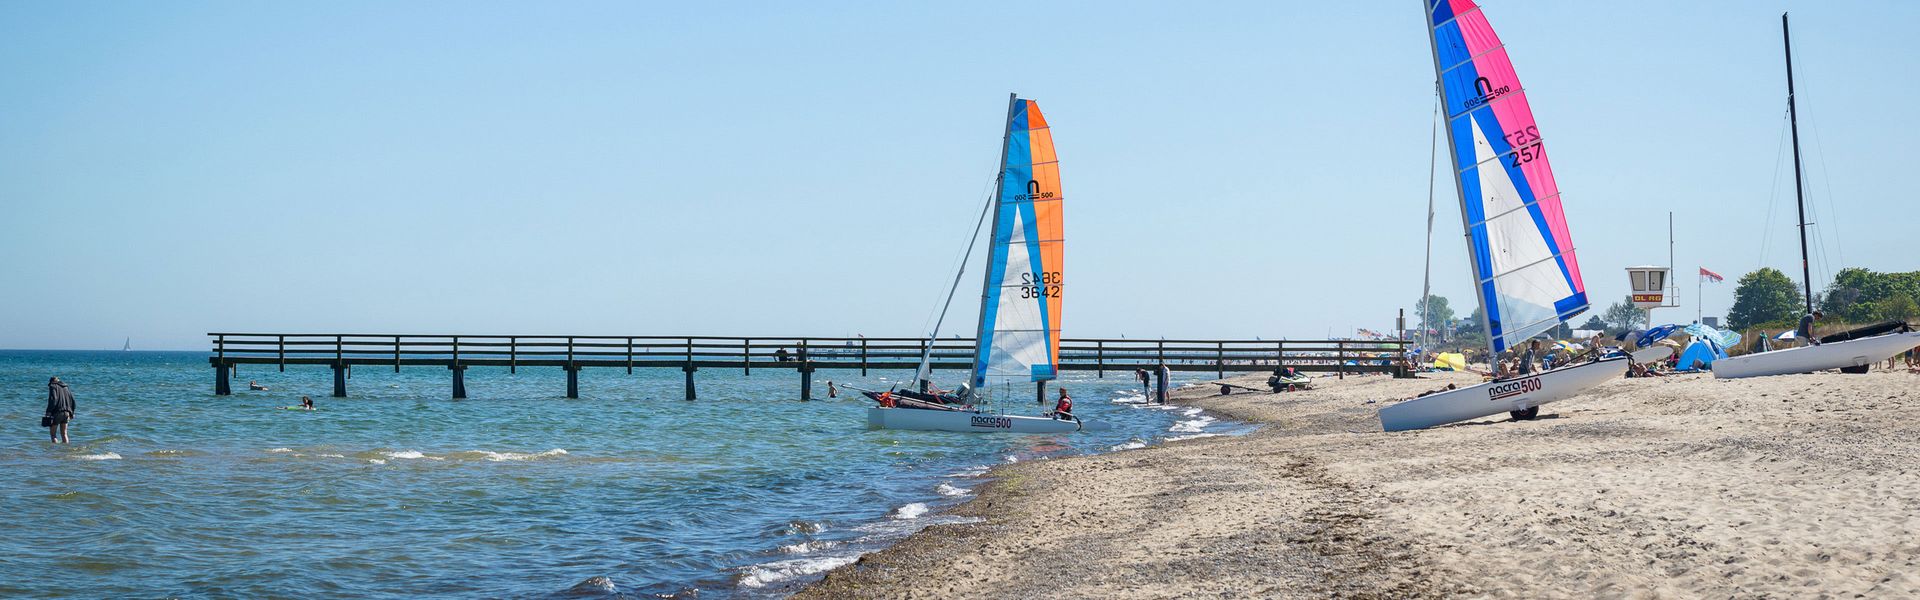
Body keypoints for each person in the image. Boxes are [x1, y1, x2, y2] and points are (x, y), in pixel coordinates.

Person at [44, 376, 75, 444]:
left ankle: (55, 452)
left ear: (52, 382)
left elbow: (53, 400)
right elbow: (72, 400)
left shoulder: (53, 386)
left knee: (53, 434)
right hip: (67, 412)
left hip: (57, 413)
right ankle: (65, 451)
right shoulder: (66, 387)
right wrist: (72, 412)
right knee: (64, 434)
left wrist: (48, 411)